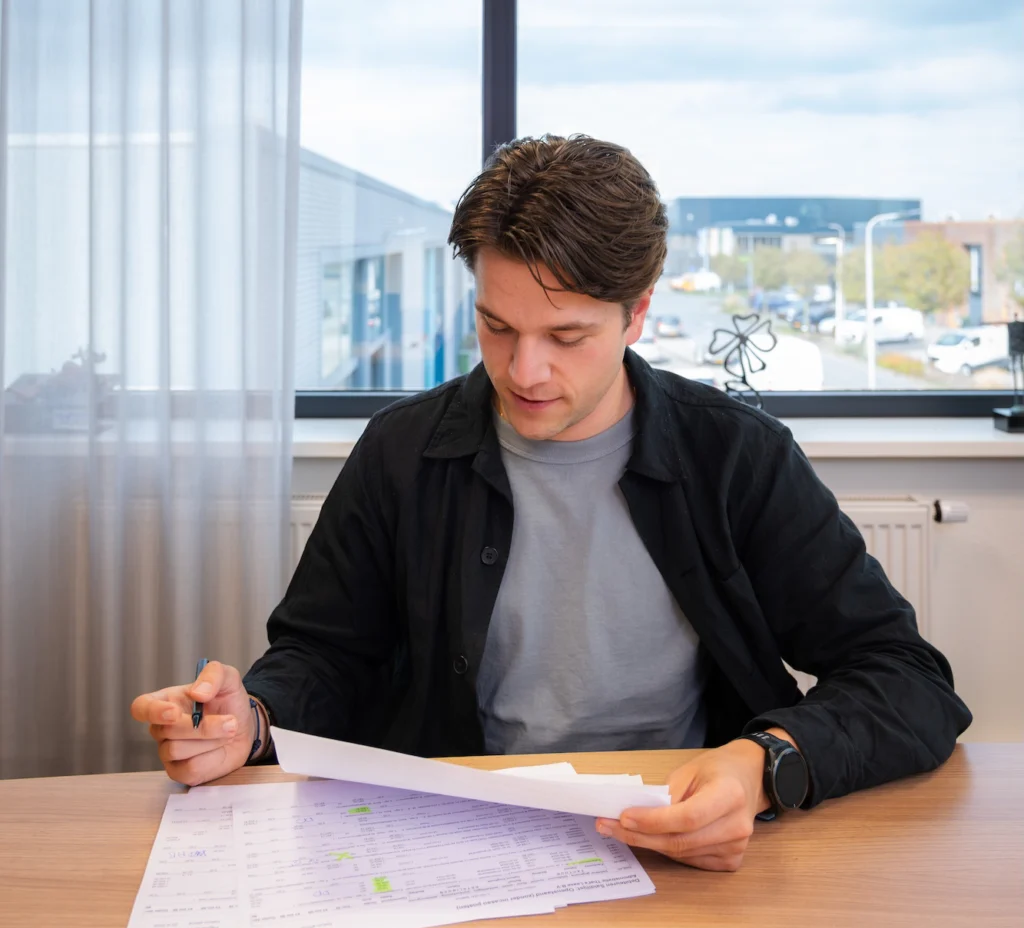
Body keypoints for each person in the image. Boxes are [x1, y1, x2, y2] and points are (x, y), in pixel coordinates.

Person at [130, 135, 971, 872]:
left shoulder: (735, 457)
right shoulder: (401, 452)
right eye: (496, 327)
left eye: (566, 337)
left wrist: (764, 764)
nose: (524, 371)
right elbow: (324, 654)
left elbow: (908, 679)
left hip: (677, 843)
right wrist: (252, 722)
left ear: (637, 313)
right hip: (456, 841)